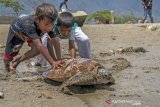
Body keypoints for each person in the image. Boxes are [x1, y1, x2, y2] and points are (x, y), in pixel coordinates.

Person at [3, 3, 64, 73]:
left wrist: (59, 59)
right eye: (46, 24)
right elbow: (39, 46)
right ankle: (7, 67)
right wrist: (52, 62)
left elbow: (55, 40)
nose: (49, 27)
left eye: (52, 24)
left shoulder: (48, 24)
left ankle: (17, 61)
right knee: (7, 58)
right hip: (18, 32)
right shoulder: (29, 24)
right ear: (37, 20)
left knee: (37, 50)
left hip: (32, 33)